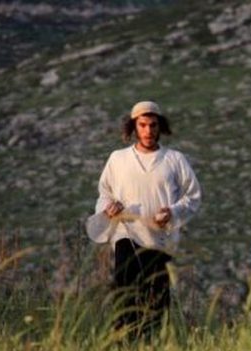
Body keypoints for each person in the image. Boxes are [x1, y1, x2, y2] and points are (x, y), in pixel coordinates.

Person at [86, 100, 201, 337]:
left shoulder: (174, 160)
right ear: (134, 127)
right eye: (143, 125)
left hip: (159, 238)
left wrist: (173, 212)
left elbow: (193, 196)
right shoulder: (118, 159)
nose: (148, 131)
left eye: (153, 125)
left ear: (161, 127)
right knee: (126, 292)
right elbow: (104, 193)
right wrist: (109, 208)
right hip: (125, 234)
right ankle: (123, 343)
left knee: (156, 297)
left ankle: (151, 345)